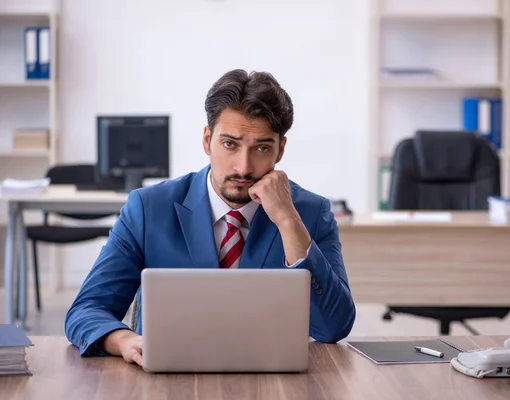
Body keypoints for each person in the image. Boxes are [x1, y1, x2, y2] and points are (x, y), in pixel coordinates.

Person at [65, 69, 356, 367]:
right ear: (207, 141)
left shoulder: (310, 213)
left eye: (262, 148)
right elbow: (86, 309)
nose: (243, 168)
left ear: (280, 150)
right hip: (170, 374)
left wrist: (287, 221)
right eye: (230, 144)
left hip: (273, 377)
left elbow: (333, 327)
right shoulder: (148, 208)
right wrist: (124, 340)